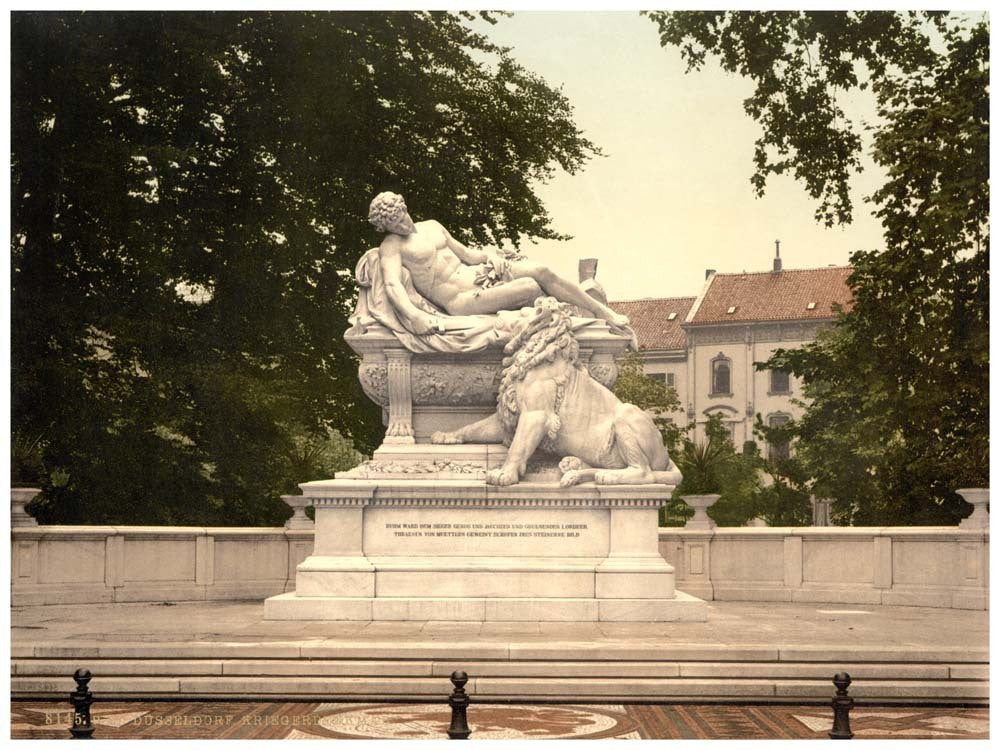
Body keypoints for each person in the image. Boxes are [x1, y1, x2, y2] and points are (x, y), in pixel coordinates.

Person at [368, 191, 630, 335]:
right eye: (393, 225)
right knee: (529, 286)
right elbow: (392, 285)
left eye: (401, 217)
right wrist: (415, 317)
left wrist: (490, 256)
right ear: (385, 227)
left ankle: (600, 311)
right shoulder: (391, 246)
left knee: (541, 271)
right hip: (460, 300)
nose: (401, 226)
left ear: (404, 207)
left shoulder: (432, 226)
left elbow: (468, 255)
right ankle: (566, 313)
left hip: (479, 275)